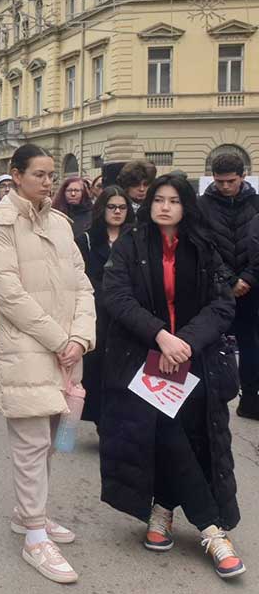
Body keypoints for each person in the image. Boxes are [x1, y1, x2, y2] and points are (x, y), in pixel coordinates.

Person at [100, 174, 244, 580]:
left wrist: (184, 342)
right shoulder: (131, 243)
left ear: (186, 206)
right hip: (142, 356)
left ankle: (162, 508)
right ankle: (212, 530)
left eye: (174, 200)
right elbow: (116, 296)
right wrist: (161, 337)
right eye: (159, 199)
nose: (165, 206)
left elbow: (222, 304)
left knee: (191, 434)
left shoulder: (205, 245)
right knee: (164, 429)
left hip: (194, 357)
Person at [0, 144, 96, 584]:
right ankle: (34, 537)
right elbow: (7, 295)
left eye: (52, 174)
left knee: (50, 441)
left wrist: (80, 338)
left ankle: (31, 515)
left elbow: (84, 285)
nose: (49, 182)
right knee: (29, 445)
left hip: (66, 353)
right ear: (16, 175)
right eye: (40, 174)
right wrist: (60, 339)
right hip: (27, 350)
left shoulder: (61, 225)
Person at [196, 153, 259, 420]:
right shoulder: (202, 206)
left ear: (242, 177)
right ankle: (206, 399)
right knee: (208, 343)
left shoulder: (256, 203)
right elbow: (204, 246)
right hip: (216, 287)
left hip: (253, 286)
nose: (224, 186)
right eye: (219, 181)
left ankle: (251, 398)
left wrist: (248, 278)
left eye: (230, 181)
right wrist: (229, 280)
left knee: (251, 345)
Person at [75, 186, 134, 427]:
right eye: (112, 207)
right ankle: (101, 420)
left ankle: (122, 420)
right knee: (98, 369)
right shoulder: (87, 240)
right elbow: (80, 277)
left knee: (126, 369)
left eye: (122, 207)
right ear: (102, 209)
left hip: (128, 314)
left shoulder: (136, 238)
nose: (117, 212)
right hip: (98, 313)